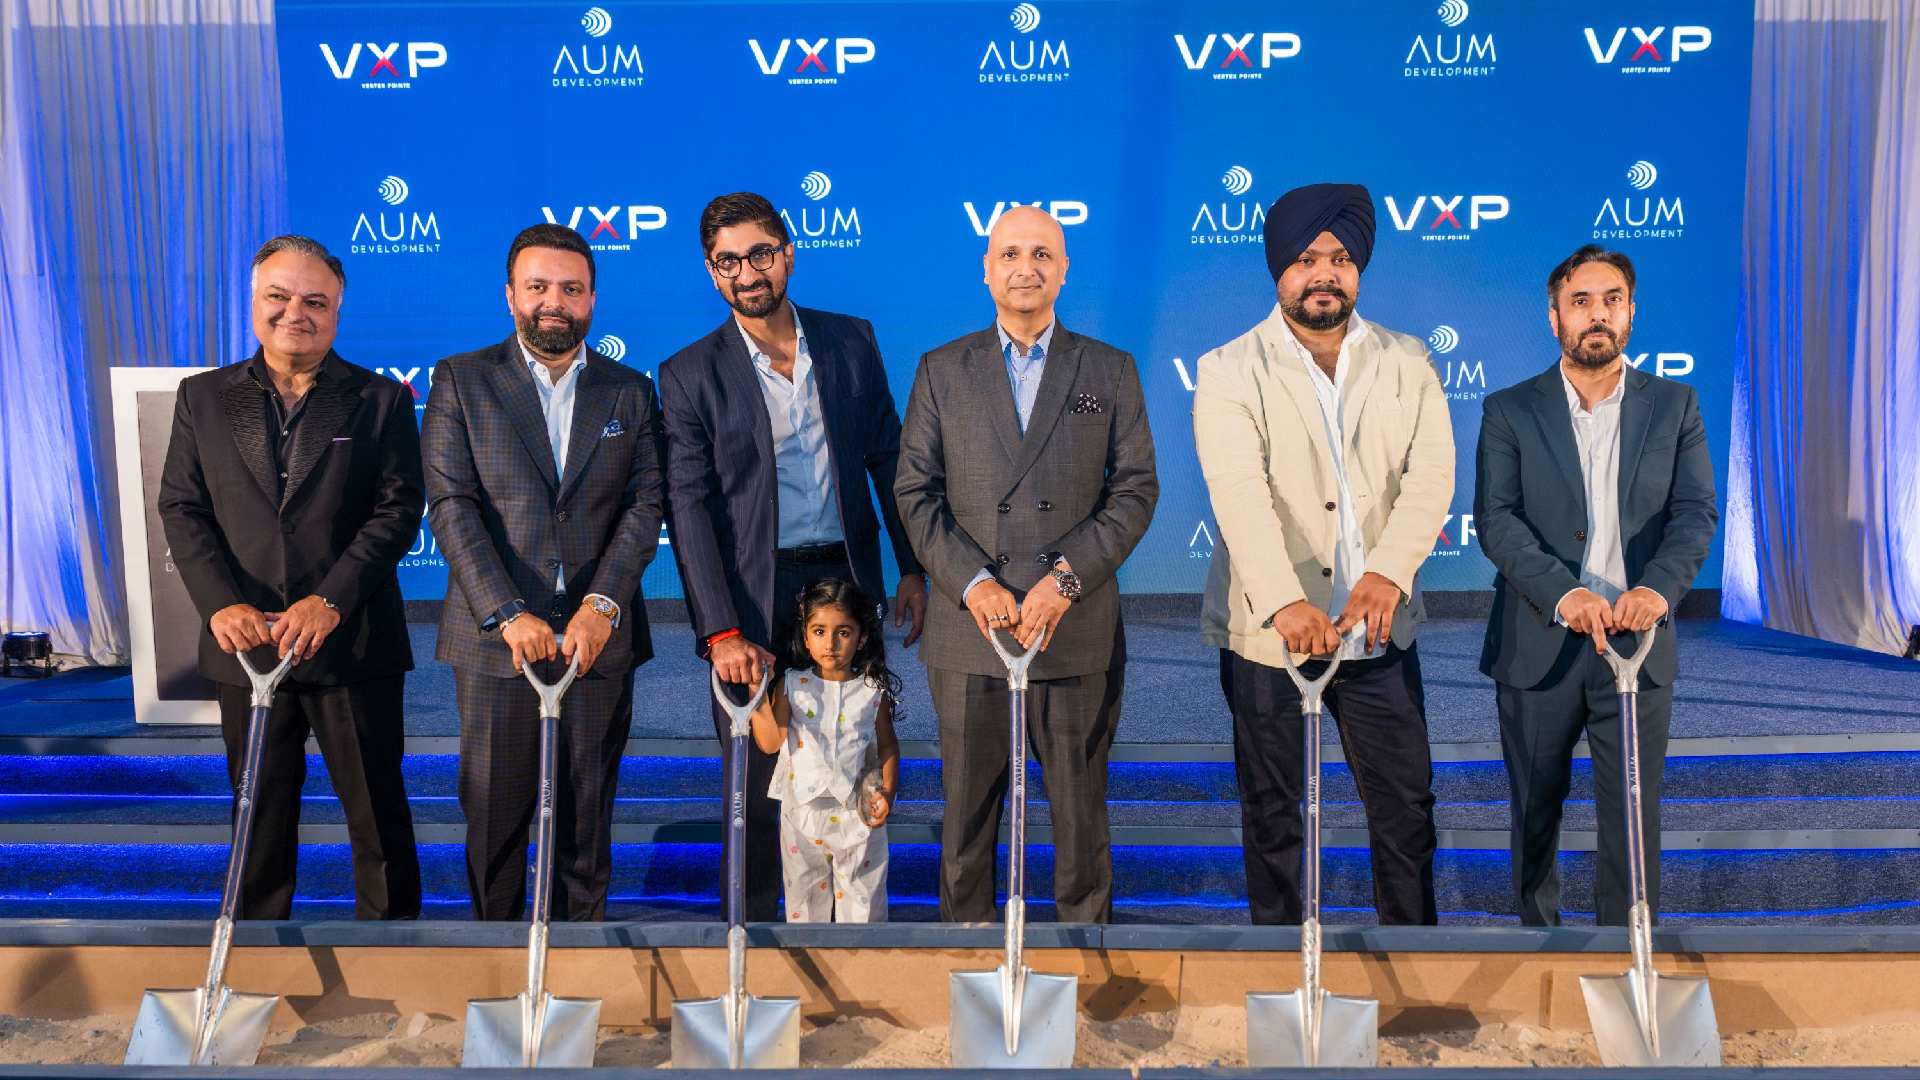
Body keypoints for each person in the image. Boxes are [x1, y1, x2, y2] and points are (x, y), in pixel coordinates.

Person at [1192, 183, 1455, 926]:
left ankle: (1412, 963)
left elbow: (1432, 477)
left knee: (1405, 808)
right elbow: (1240, 493)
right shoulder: (1228, 369)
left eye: (1340, 258)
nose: (1324, 274)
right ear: (1279, 270)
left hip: (1379, 631)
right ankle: (1282, 970)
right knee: (1275, 814)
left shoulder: (1408, 359)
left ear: (1359, 268)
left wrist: (1386, 574)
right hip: (1269, 639)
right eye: (1307, 258)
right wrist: (1284, 602)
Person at [661, 192, 926, 922]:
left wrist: (909, 566)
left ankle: (853, 934)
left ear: (787, 254)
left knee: (855, 757)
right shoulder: (688, 374)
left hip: (845, 583)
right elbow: (689, 511)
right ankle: (750, 936)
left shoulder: (851, 341)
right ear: (712, 273)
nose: (746, 272)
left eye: (759, 254)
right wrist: (720, 630)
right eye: (727, 261)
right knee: (753, 773)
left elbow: (886, 458)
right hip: (754, 596)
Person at [895, 205, 1158, 924]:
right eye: (1010, 253)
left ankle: (1088, 974)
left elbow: (1136, 490)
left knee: (1079, 822)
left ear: (1064, 270)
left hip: (1071, 631)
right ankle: (971, 965)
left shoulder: (1108, 367)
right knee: (967, 822)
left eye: (1042, 254)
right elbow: (915, 493)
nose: (1026, 268)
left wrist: (1064, 582)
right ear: (986, 269)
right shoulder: (942, 370)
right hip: (970, 632)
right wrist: (974, 584)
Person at [158, 234, 422, 919]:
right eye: (278, 296)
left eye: (315, 300)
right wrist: (221, 605)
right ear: (254, 302)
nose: (294, 313)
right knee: (258, 814)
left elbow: (397, 512)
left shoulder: (380, 401)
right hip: (246, 649)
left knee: (378, 816)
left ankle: (396, 954)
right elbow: (183, 507)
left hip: (352, 643)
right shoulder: (203, 398)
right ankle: (254, 952)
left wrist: (329, 601)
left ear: (337, 311)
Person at [421, 223, 666, 921]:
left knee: (585, 824)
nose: (553, 301)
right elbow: (452, 507)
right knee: (495, 821)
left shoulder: (628, 390)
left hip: (597, 643)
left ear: (593, 298)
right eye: (538, 287)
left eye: (571, 288)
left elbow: (646, 504)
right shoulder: (462, 381)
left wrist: (604, 604)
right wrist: (506, 612)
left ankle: (577, 973)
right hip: (498, 648)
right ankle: (498, 976)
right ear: (510, 296)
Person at [1476, 244, 1718, 926]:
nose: (1597, 315)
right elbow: (1497, 521)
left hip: (1637, 644)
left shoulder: (1675, 405)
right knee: (1535, 812)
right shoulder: (1509, 410)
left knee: (1632, 818)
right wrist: (1564, 593)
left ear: (1631, 312)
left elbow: (1695, 512)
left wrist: (1660, 590)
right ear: (1554, 317)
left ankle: (1627, 954)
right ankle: (1536, 952)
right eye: (1581, 301)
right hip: (1540, 642)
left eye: (1611, 299)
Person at [749, 579, 901, 923]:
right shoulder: (792, 684)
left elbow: (887, 744)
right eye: (819, 631)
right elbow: (771, 742)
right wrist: (758, 695)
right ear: (805, 635)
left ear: (861, 637)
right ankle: (811, 973)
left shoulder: (872, 690)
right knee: (804, 907)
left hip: (858, 813)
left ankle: (863, 974)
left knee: (864, 908)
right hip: (802, 815)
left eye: (843, 633)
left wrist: (888, 791)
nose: (830, 643)